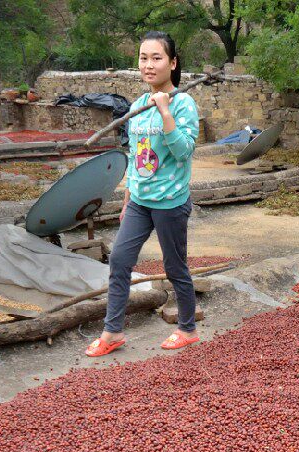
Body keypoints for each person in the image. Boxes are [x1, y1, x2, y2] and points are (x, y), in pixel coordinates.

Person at [85, 32, 200, 357]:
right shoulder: (136, 106)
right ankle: (113, 332)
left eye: (157, 58)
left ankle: (188, 328)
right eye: (143, 58)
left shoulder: (183, 104)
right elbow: (137, 158)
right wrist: (127, 199)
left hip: (170, 204)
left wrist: (165, 113)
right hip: (139, 202)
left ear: (173, 63)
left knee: (175, 267)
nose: (149, 65)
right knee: (120, 260)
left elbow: (183, 152)